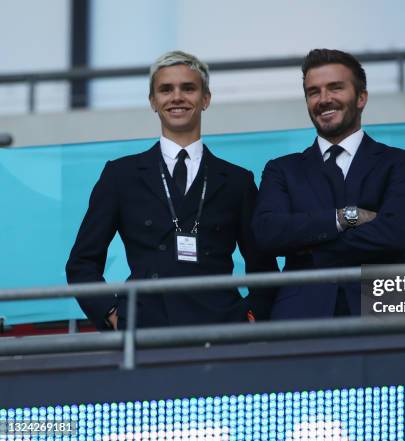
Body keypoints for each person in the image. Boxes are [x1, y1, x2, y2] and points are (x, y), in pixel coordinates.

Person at [66, 50, 277, 330]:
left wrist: (249, 316)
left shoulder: (237, 180)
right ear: (153, 102)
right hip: (144, 330)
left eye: (188, 88)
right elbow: (82, 263)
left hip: (221, 330)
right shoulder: (121, 175)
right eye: (166, 89)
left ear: (206, 99)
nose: (177, 97)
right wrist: (114, 316)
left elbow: (263, 267)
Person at [252, 49, 405, 319]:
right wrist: (345, 218)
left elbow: (395, 235)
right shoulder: (282, 169)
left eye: (336, 88)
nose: (324, 99)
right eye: (313, 92)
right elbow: (268, 233)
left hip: (382, 314)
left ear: (361, 97)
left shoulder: (402, 164)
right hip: (301, 318)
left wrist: (309, 248)